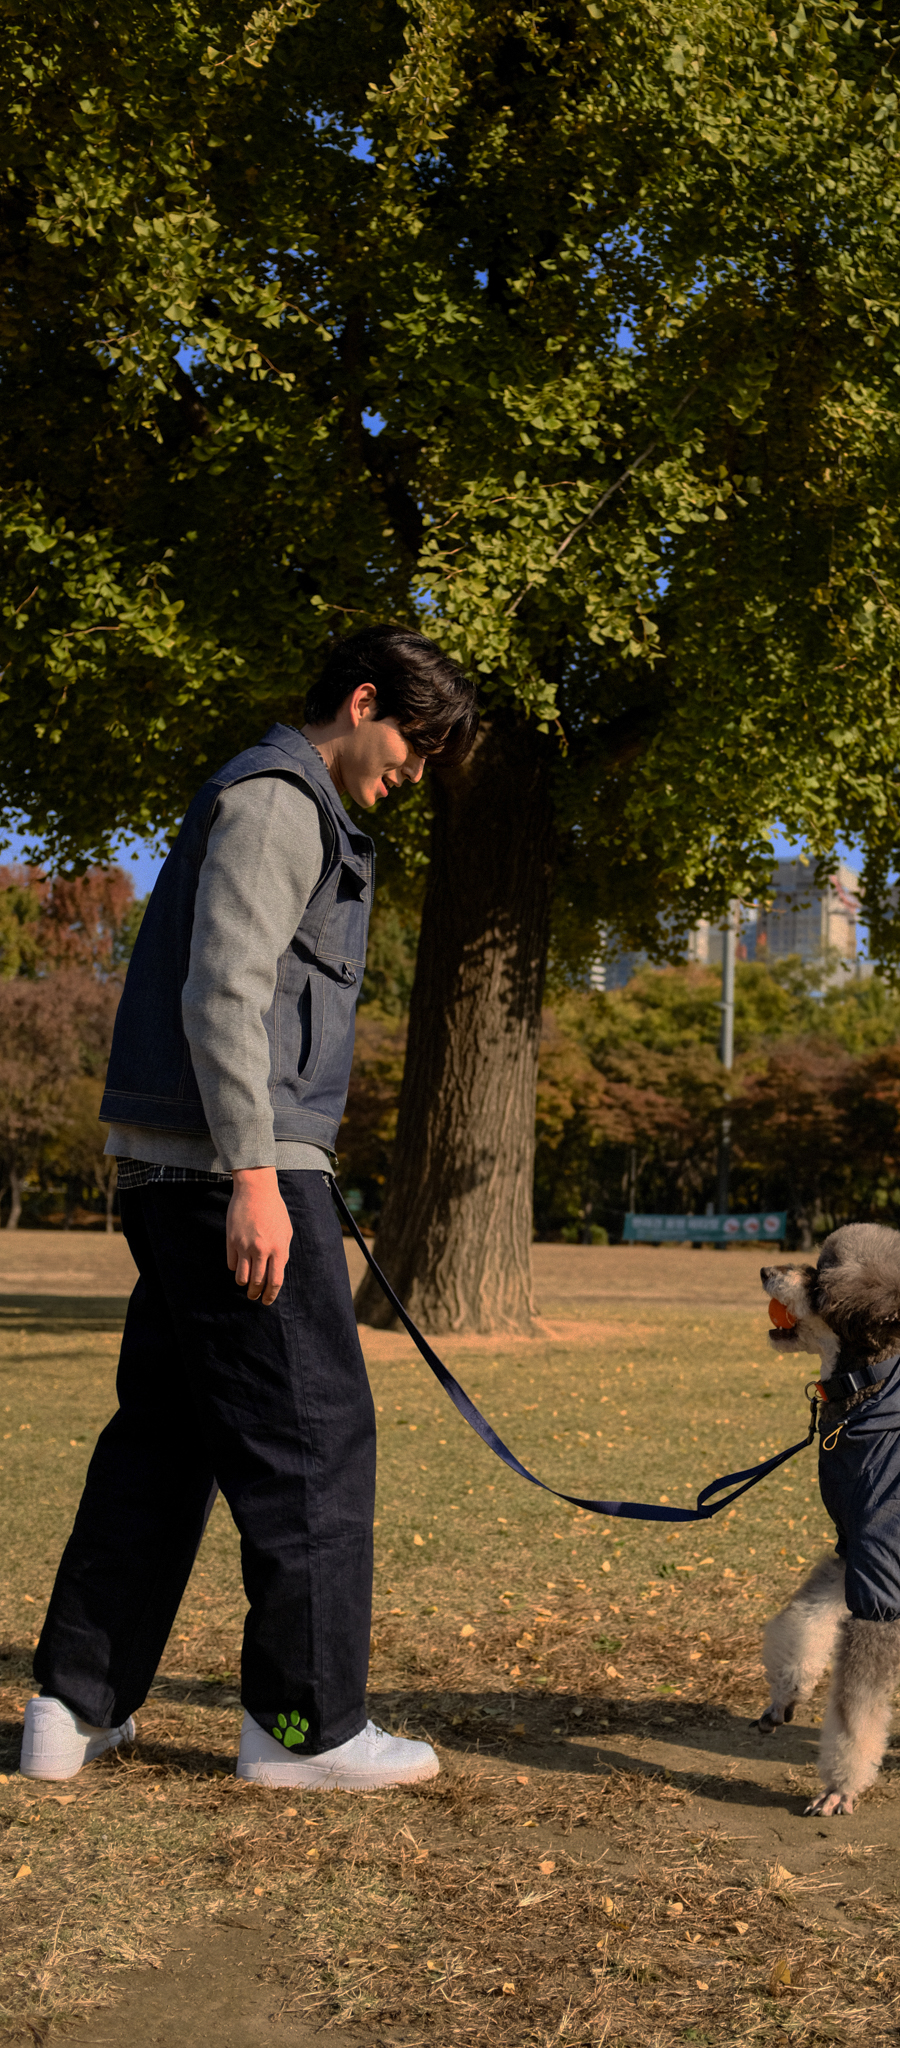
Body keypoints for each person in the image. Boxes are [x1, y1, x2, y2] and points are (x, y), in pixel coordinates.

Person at [22, 626, 478, 1789]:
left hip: (190, 1170)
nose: (415, 769)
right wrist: (259, 1181)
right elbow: (224, 992)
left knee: (165, 1440)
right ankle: (304, 1728)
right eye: (413, 740)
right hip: (234, 1175)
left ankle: (74, 1708)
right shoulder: (280, 802)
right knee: (316, 1437)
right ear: (362, 699)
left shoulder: (264, 796)